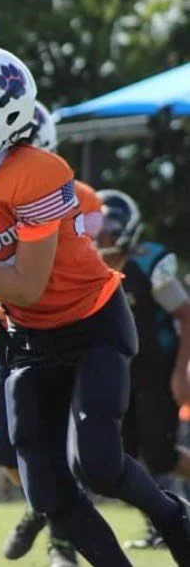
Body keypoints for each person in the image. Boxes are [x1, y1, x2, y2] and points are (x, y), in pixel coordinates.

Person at [0, 44, 190, 566]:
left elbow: (25, 283)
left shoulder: (37, 173)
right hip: (31, 337)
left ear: (4, 113)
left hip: (92, 323)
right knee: (44, 490)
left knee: (96, 464)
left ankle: (172, 515)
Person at [0, 102, 85, 567]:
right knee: (4, 445)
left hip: (53, 329)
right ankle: (41, 503)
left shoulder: (71, 196)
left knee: (55, 441)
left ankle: (62, 542)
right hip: (0, 330)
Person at [95, 189, 190, 550]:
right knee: (121, 457)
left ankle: (171, 520)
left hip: (156, 368)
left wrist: (181, 372)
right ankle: (161, 521)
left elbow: (185, 314)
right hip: (118, 369)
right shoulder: (89, 265)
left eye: (109, 227)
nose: (101, 235)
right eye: (97, 227)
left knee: (161, 452)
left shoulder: (148, 262)